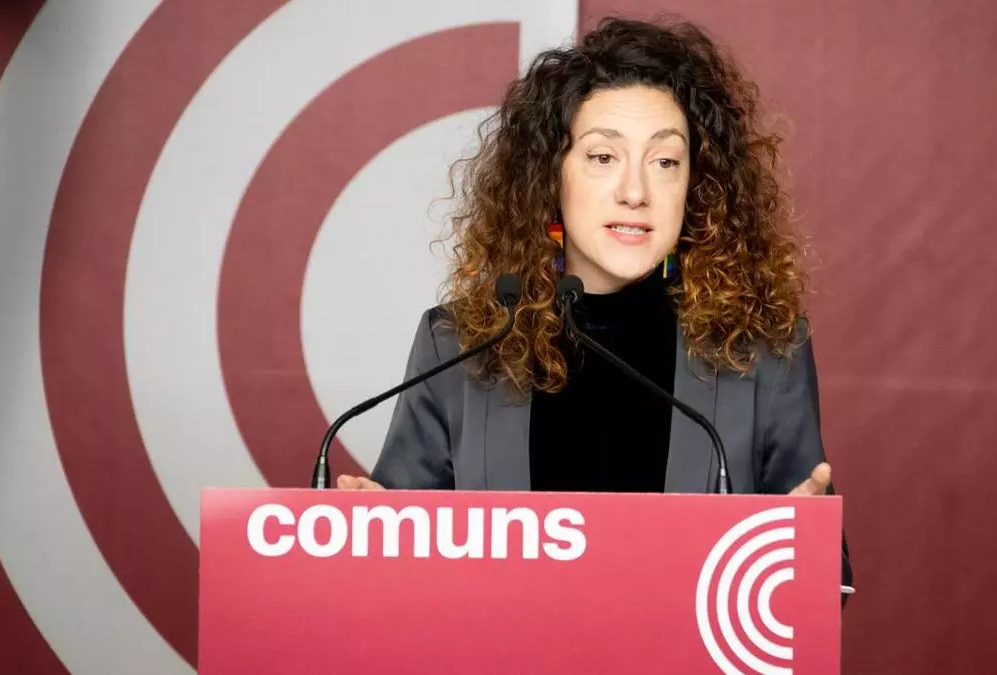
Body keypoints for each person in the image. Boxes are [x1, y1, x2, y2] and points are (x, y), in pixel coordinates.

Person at [338, 16, 852, 597]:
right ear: (550, 177)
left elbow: (820, 589)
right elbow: (401, 573)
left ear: (696, 187)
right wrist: (371, 537)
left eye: (665, 162)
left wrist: (801, 561)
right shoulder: (460, 345)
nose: (635, 192)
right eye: (603, 157)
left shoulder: (762, 353)